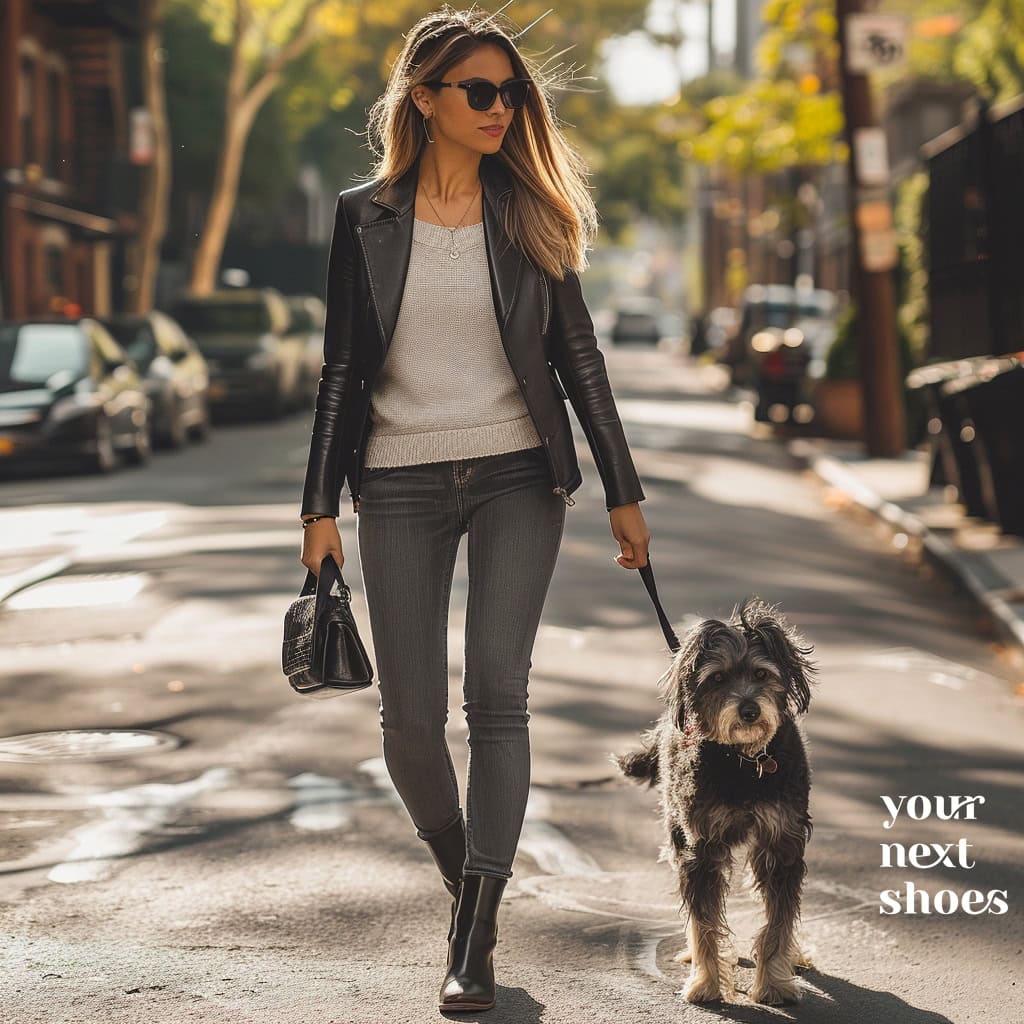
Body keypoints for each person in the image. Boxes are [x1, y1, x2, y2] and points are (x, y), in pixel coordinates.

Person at [298, 4, 651, 1013]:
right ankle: (468, 881)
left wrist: (622, 490)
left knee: (496, 694)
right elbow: (339, 368)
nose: (502, 107)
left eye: (512, 92)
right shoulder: (363, 215)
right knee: (408, 720)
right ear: (425, 99)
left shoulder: (528, 210)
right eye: (481, 91)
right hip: (397, 481)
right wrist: (317, 504)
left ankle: (473, 936)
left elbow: (577, 359)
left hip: (514, 476)